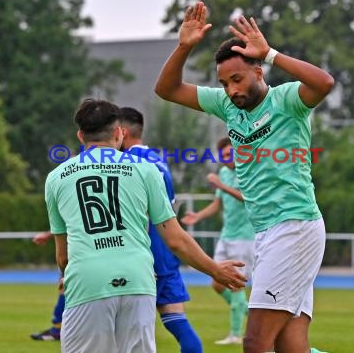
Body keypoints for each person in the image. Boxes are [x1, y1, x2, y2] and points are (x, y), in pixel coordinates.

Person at [154, 1, 333, 353]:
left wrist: (270, 53)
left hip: (293, 227)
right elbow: (167, 89)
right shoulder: (226, 104)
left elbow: (324, 82)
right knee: (290, 347)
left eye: (237, 79)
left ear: (259, 72)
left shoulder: (287, 101)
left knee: (254, 343)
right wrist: (184, 46)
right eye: (224, 83)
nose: (232, 90)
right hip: (268, 232)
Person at [45, 99, 246, 353]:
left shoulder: (56, 177)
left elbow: (63, 255)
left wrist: (68, 274)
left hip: (88, 281)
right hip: (138, 280)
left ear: (80, 135)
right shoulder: (146, 169)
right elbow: (175, 239)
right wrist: (214, 270)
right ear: (119, 133)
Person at [119, 106, 203, 352]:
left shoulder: (127, 164)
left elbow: (139, 214)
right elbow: (168, 213)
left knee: (125, 330)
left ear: (121, 132)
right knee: (177, 322)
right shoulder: (158, 161)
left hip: (142, 255)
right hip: (166, 253)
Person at [181, 136, 254, 345]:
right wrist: (198, 216)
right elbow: (218, 204)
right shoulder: (223, 172)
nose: (226, 158)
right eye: (223, 155)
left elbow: (244, 197)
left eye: (230, 153)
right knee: (217, 281)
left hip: (245, 238)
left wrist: (220, 185)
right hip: (227, 235)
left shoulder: (247, 170)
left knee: (237, 284)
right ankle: (250, 313)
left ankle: (235, 334)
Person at [29, 231, 64, 341]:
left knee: (65, 288)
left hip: (80, 253)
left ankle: (57, 331)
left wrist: (48, 235)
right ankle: (58, 329)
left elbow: (68, 223)